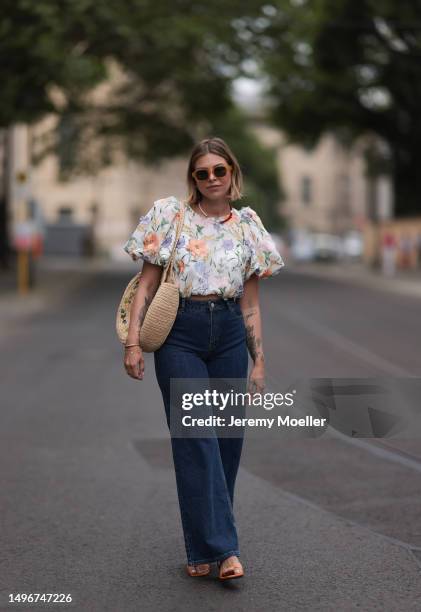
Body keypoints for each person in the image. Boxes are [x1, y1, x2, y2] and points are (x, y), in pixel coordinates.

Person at [122, 137, 285, 581]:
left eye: (219, 170)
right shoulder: (171, 216)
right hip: (180, 334)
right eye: (202, 172)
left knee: (227, 442)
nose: (212, 178)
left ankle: (203, 548)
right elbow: (146, 284)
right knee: (196, 436)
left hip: (231, 332)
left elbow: (250, 304)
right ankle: (225, 550)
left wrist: (259, 360)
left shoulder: (248, 225)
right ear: (192, 178)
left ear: (232, 172)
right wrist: (133, 342)